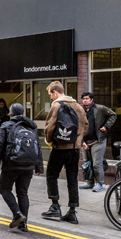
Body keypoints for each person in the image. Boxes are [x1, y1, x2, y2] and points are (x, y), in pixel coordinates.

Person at [0, 103, 43, 232]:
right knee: (23, 193)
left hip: (11, 164)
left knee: (4, 189)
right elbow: (38, 147)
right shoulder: (31, 126)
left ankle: (17, 214)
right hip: (28, 165)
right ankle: (23, 224)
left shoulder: (6, 125)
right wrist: (39, 167)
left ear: (11, 114)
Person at [42, 81, 88, 223]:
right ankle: (72, 212)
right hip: (75, 149)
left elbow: (50, 127)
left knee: (51, 175)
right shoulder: (78, 106)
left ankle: (55, 207)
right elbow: (85, 125)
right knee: (72, 179)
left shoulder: (56, 105)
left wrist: (50, 141)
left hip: (59, 148)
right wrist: (79, 141)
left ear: (55, 92)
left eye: (50, 94)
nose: (51, 97)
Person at [80, 91, 118, 192]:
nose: (85, 100)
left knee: (96, 163)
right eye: (83, 99)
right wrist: (82, 141)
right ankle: (89, 182)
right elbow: (79, 126)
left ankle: (99, 183)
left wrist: (106, 126)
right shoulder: (80, 111)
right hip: (85, 141)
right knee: (87, 163)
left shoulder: (100, 108)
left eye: (87, 98)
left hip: (98, 140)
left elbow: (113, 115)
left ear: (91, 100)